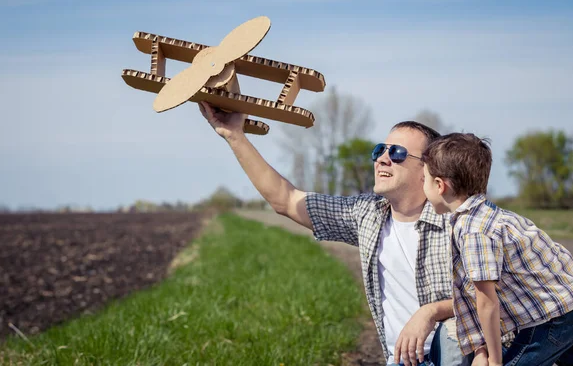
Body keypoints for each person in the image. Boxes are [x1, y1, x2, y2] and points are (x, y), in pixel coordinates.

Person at [197, 101, 473, 366]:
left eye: (397, 153)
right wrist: (234, 135)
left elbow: (500, 295)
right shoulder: (366, 214)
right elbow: (285, 199)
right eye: (380, 150)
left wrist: (432, 312)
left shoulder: (459, 223)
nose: (383, 160)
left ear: (426, 170)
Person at [421, 132, 573, 366]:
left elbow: (486, 302)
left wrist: (495, 361)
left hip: (554, 317)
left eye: (424, 179)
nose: (422, 186)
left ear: (439, 186)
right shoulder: (488, 214)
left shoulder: (473, 231)